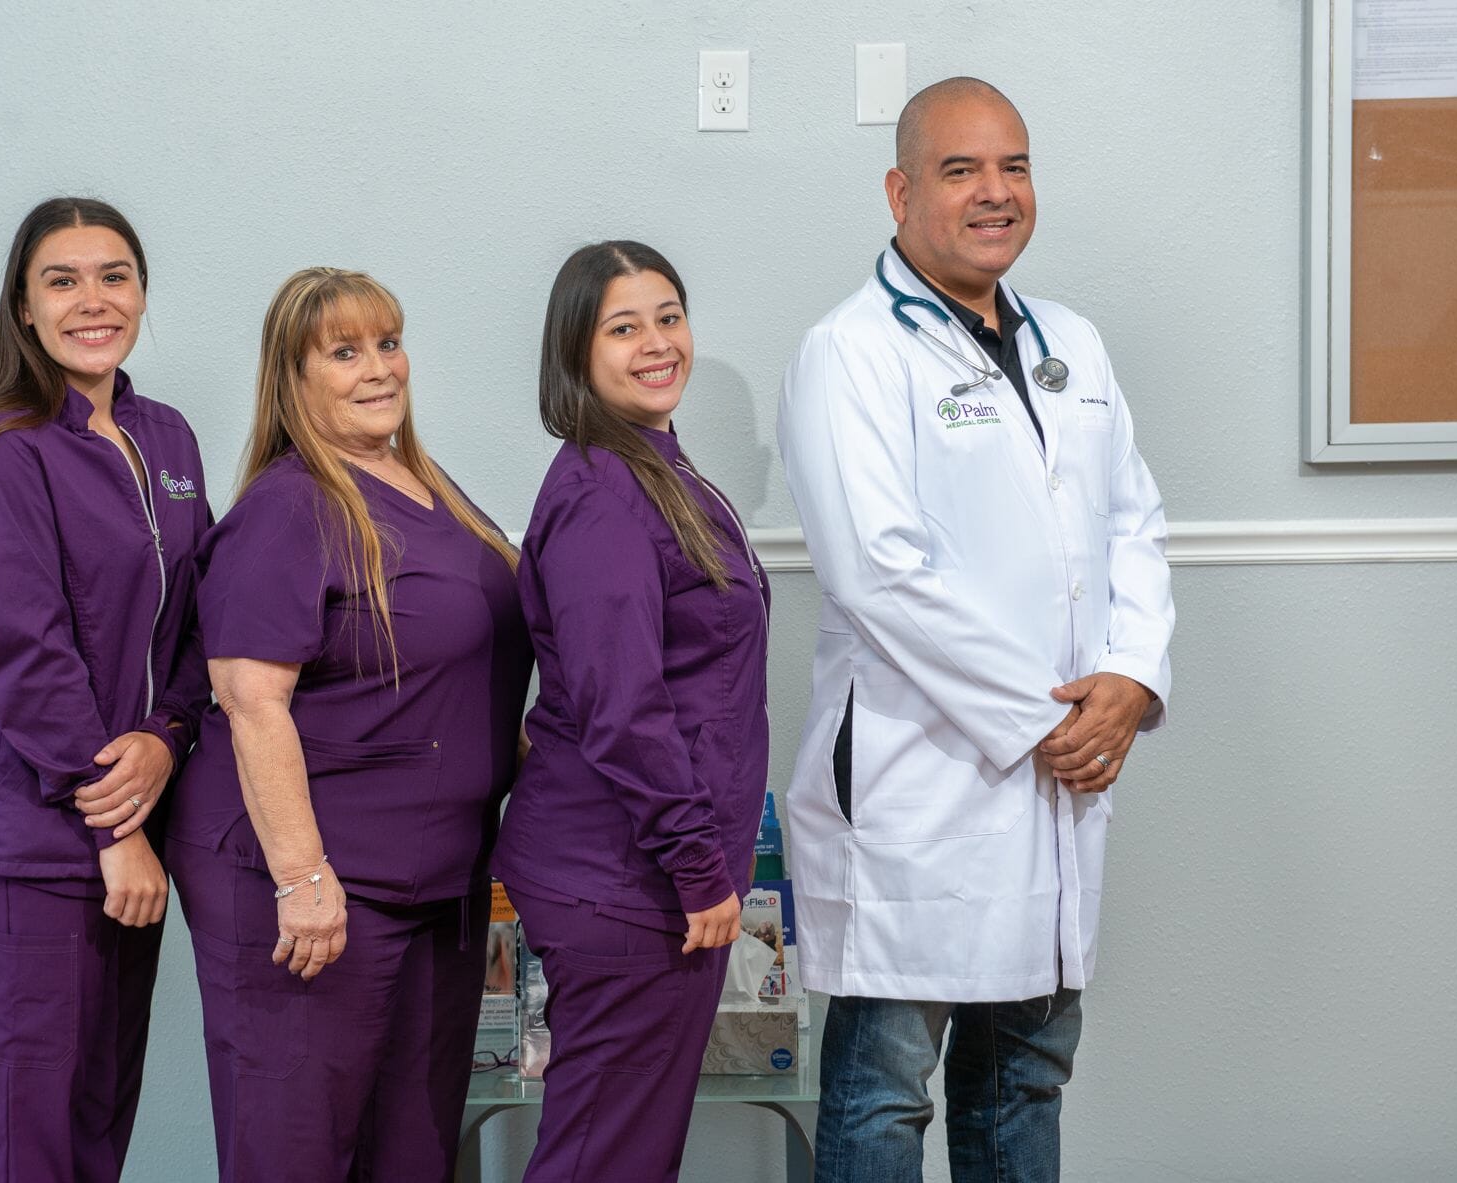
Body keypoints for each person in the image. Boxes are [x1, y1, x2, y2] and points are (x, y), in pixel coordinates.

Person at [776, 77, 1176, 1182]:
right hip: (922, 779)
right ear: (900, 191)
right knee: (881, 1094)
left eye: (1013, 166)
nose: (994, 193)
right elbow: (878, 574)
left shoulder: (1073, 346)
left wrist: (1129, 682)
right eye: (960, 171)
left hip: (1063, 771)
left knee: (1024, 1079)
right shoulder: (849, 353)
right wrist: (1045, 721)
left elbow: (1131, 523)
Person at [162, 268, 532, 1182]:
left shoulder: (428, 482)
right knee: (295, 1152)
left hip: (437, 882)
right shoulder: (289, 507)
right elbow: (253, 702)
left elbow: (462, 671)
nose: (379, 369)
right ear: (294, 379)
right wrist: (302, 876)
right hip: (315, 884)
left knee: (412, 1153)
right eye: (344, 351)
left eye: (389, 342)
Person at [0, 197, 210, 1183]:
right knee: (29, 1131)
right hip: (33, 837)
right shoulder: (4, 450)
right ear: (24, 307)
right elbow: (27, 652)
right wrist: (114, 829)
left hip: (139, 810)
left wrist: (169, 734)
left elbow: (198, 619)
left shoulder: (166, 438)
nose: (93, 300)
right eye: (63, 279)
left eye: (114, 275)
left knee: (97, 1114)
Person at [491, 240, 771, 1182]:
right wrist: (699, 867)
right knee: (602, 1158)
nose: (657, 343)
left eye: (669, 316)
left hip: (645, 876)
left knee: (625, 1154)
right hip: (627, 883)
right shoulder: (607, 491)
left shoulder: (658, 469)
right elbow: (623, 711)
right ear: (576, 354)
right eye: (623, 327)